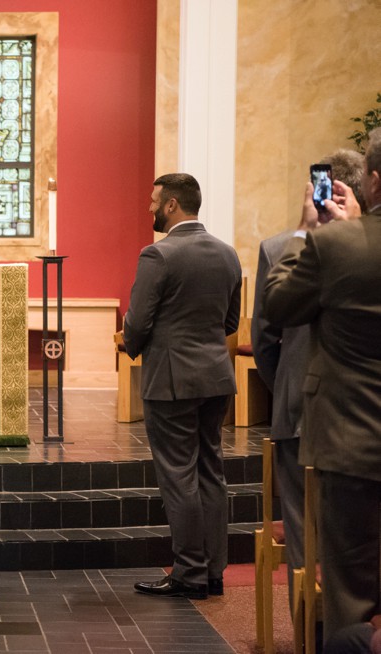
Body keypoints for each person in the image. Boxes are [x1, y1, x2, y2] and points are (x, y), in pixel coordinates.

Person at [263, 129, 381, 642]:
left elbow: (280, 306)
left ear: (374, 182)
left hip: (353, 442)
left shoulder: (335, 245)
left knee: (351, 592)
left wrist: (308, 234)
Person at [251, 149, 365, 599]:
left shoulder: (282, 248)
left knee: (303, 534)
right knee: (358, 539)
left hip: (298, 407)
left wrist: (287, 384)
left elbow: (264, 338)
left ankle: (309, 633)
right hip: (362, 415)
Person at [123, 173, 241, 600]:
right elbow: (230, 322)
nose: (150, 208)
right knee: (211, 470)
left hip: (172, 379)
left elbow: (137, 321)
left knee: (178, 476)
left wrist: (131, 346)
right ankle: (214, 571)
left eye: (154, 201)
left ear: (171, 205)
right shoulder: (228, 254)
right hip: (215, 376)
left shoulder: (159, 254)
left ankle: (189, 572)